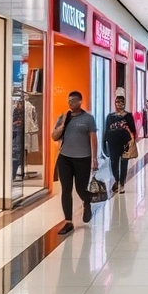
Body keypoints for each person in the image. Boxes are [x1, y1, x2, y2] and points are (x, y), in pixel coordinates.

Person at [52, 91, 98, 235]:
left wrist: (95, 158)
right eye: (69, 100)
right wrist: (62, 124)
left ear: (80, 101)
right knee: (66, 189)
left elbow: (93, 138)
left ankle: (87, 199)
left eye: (73, 100)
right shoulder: (64, 117)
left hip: (83, 158)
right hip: (64, 158)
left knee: (80, 188)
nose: (70, 103)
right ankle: (68, 222)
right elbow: (54, 136)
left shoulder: (88, 119)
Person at [104, 94, 137, 194]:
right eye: (117, 102)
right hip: (112, 142)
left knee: (124, 163)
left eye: (122, 102)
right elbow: (107, 130)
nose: (119, 104)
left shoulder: (128, 116)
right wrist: (104, 143)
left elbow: (133, 129)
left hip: (125, 142)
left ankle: (121, 183)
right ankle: (117, 181)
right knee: (114, 162)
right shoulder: (110, 116)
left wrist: (132, 141)